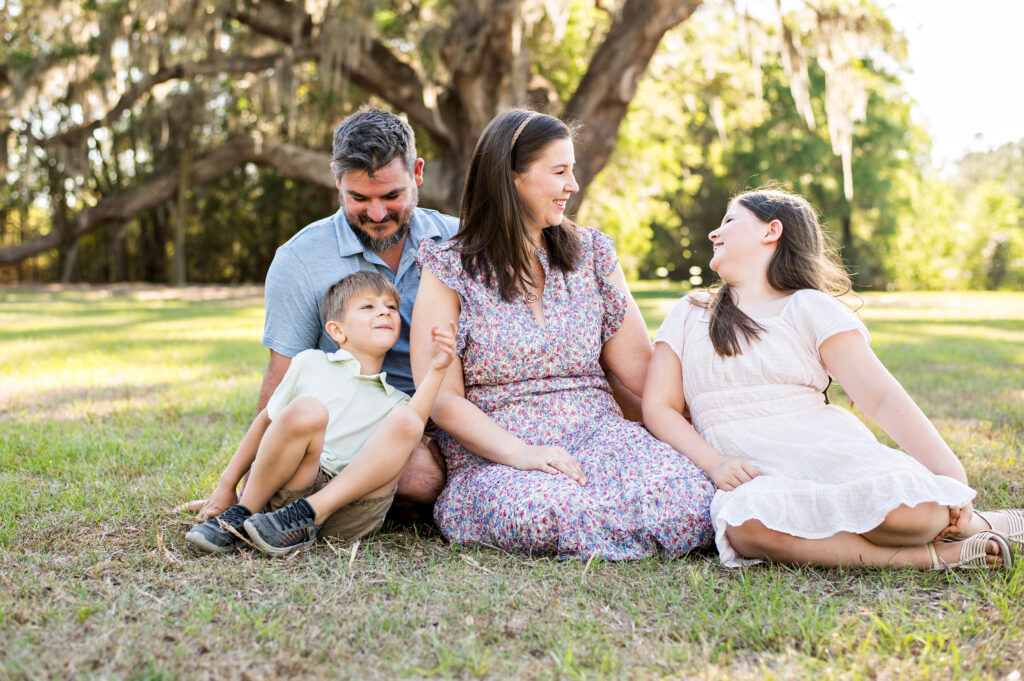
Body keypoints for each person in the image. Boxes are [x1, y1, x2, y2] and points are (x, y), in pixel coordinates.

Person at [643, 188, 1023, 570]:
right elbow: (659, 406)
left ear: (770, 231)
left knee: (913, 513)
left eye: (729, 221)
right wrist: (714, 463)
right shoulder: (690, 312)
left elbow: (881, 398)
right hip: (755, 474)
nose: (714, 233)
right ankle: (939, 557)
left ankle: (978, 524)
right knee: (744, 525)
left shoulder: (808, 306)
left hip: (828, 453)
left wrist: (952, 477)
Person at [408, 109, 715, 560]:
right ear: (511, 177)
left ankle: (621, 530)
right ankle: (620, 530)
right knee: (544, 512)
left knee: (689, 493)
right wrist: (522, 454)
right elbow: (442, 398)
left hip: (600, 434)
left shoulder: (592, 254)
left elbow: (642, 369)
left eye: (572, 170)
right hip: (501, 452)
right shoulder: (449, 267)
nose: (573, 184)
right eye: (559, 171)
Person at [189, 107, 458, 520]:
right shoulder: (300, 258)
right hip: (350, 422)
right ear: (337, 179)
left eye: (391, 196)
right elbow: (283, 379)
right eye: (359, 198)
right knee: (420, 480)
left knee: (431, 477)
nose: (377, 214)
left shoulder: (459, 240)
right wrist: (247, 491)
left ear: (417, 173)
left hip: (441, 410)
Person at [186, 271, 457, 556]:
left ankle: (311, 512)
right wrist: (227, 485)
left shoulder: (397, 401)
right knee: (307, 410)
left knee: (407, 419)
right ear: (337, 330)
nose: (384, 312)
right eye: (368, 306)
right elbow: (266, 422)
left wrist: (438, 369)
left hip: (351, 510)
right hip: (296, 489)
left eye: (391, 307)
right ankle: (244, 513)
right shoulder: (310, 363)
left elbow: (414, 421)